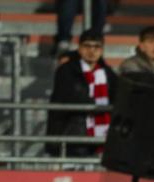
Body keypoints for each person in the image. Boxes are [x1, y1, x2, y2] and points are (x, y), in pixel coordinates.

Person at [45, 29, 118, 158]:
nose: (92, 51)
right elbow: (69, 98)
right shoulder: (66, 70)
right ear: (79, 48)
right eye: (87, 46)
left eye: (97, 47)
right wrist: (98, 107)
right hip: (71, 135)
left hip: (102, 135)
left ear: (102, 50)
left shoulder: (109, 73)